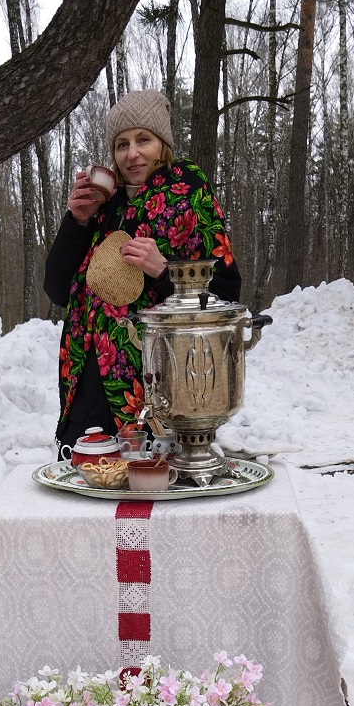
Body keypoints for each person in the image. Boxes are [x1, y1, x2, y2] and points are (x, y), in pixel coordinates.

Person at [44, 89, 241, 452]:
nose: (132, 153)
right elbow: (58, 290)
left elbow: (225, 296)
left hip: (157, 382)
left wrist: (164, 270)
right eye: (122, 144)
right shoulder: (107, 205)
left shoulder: (189, 193)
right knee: (90, 478)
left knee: (151, 480)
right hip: (89, 378)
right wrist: (78, 221)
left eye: (143, 140)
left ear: (162, 143)